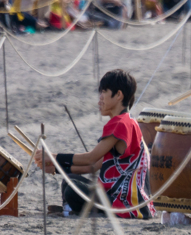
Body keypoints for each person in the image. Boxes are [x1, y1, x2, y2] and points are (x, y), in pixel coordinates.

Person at [33, 70, 153, 219]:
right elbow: (94, 166)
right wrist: (56, 168)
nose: (99, 100)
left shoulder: (121, 123)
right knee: (69, 180)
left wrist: (52, 156)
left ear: (118, 95)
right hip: (123, 200)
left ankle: (71, 209)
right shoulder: (128, 122)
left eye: (104, 92)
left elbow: (90, 158)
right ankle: (71, 208)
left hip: (126, 205)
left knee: (72, 190)